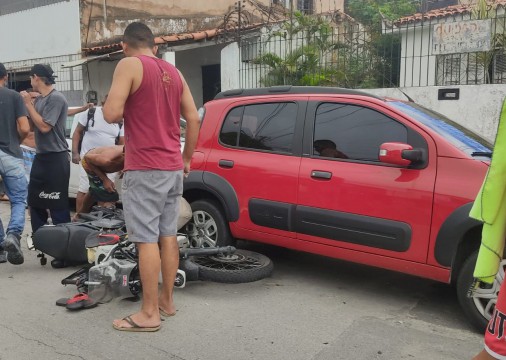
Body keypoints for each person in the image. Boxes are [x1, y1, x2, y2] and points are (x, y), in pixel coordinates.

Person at [103, 22, 200, 332]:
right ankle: (166, 302)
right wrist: (187, 158)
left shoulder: (128, 64)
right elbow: (194, 118)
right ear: (154, 46)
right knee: (167, 235)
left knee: (145, 240)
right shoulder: (175, 72)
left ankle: (148, 314)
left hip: (145, 167)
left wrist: (119, 95)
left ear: (124, 45)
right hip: (172, 167)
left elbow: (111, 114)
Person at [19, 64, 72, 267]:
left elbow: (44, 127)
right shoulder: (41, 100)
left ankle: (64, 252)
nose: (30, 81)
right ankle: (43, 243)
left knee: (57, 205)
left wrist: (29, 104)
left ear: (37, 78)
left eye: (31, 78)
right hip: (42, 157)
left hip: (56, 157)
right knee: (35, 201)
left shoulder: (56, 98)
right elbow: (33, 126)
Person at [71, 95, 124, 219]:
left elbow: (122, 142)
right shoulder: (91, 113)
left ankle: (103, 220)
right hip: (88, 159)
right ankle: (79, 218)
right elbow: (77, 132)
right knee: (85, 189)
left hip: (104, 160)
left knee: (105, 192)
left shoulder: (120, 120)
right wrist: (75, 152)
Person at [0, 62, 30, 265]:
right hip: (11, 154)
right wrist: (15, 141)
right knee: (18, 199)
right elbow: (25, 128)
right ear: (5, 77)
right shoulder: (13, 96)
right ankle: (13, 235)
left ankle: (0, 248)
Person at [81, 145, 124, 211]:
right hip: (89, 163)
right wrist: (105, 179)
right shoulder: (106, 159)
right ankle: (103, 215)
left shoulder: (133, 153)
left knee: (96, 189)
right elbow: (87, 158)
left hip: (103, 165)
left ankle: (79, 215)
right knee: (109, 194)